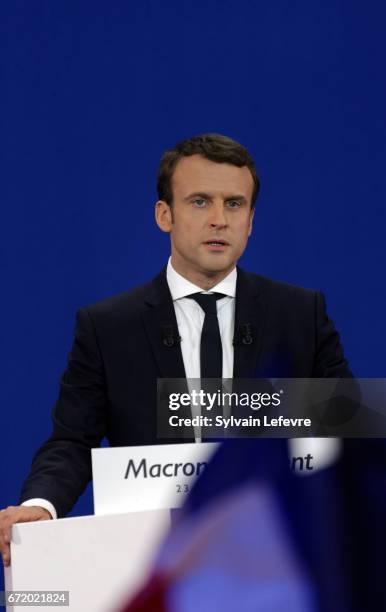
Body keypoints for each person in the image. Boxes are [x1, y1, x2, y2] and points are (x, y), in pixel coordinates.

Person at [0, 134, 351, 567]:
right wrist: (42, 505)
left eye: (234, 204)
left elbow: (345, 427)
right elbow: (73, 440)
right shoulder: (109, 327)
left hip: (274, 563)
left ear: (251, 220)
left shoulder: (300, 315)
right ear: (164, 215)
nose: (219, 219)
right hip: (153, 561)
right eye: (200, 201)